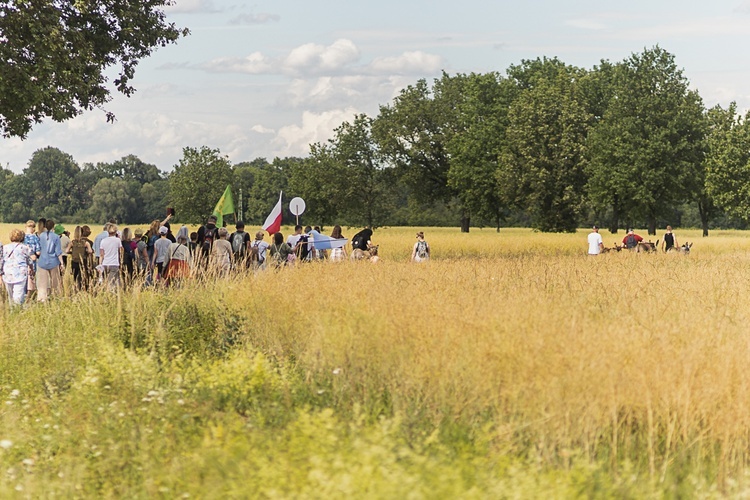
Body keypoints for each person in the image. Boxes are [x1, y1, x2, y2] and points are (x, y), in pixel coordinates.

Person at [1, 229, 33, 307]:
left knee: (10, 294)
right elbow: (30, 260)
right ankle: (16, 309)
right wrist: (31, 268)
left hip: (7, 273)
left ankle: (12, 308)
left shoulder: (5, 247)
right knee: (18, 293)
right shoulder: (25, 248)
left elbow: (2, 260)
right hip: (20, 273)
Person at [37, 219, 63, 302]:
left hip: (42, 261)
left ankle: (41, 299)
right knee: (55, 282)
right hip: (53, 261)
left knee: (42, 283)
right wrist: (62, 263)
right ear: (53, 226)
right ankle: (56, 296)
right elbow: (58, 251)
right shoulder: (56, 237)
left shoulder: (41, 235)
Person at [68, 225, 94, 290]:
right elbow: (90, 251)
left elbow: (66, 250)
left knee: (75, 278)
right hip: (83, 262)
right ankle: (83, 289)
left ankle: (76, 289)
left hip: (74, 262)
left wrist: (72, 252)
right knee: (83, 277)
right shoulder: (86, 243)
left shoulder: (72, 242)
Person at [99, 224, 122, 290]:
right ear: (115, 231)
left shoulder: (103, 241)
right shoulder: (117, 240)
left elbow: (101, 255)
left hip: (105, 263)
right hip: (114, 263)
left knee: (106, 281)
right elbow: (121, 251)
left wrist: (100, 265)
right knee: (113, 283)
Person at [23, 220, 41, 295]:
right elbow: (38, 252)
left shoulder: (22, 237)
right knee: (31, 281)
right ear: (34, 228)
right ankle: (29, 297)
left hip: (23, 262)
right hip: (32, 262)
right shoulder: (35, 238)